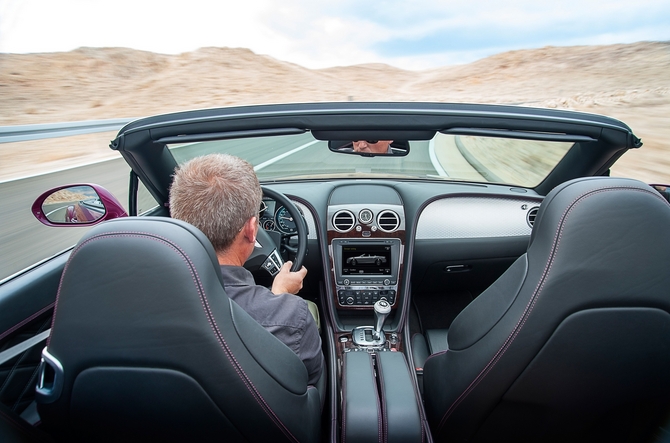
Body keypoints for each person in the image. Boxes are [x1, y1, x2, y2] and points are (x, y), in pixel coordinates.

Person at [169, 153, 324, 385]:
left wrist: (275, 298)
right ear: (252, 230)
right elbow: (310, 378)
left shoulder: (137, 301)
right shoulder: (293, 317)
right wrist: (277, 300)